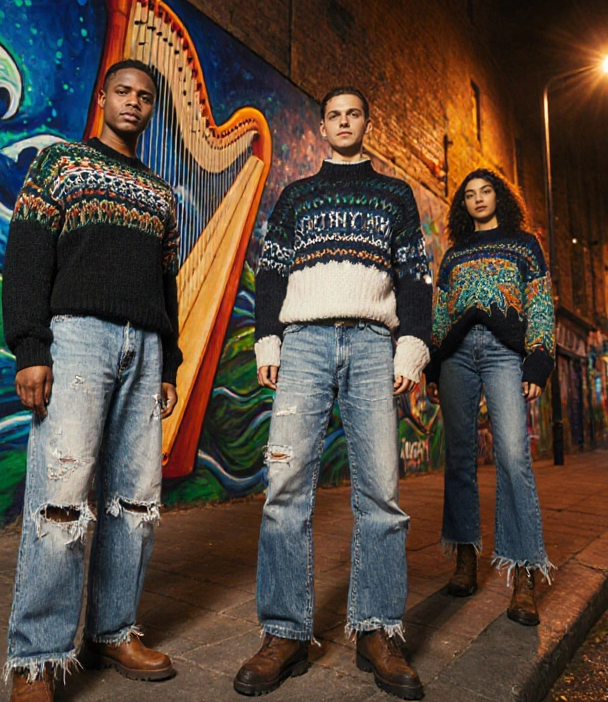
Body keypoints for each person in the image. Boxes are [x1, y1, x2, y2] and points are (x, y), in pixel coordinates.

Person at [235, 87, 431, 700]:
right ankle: (285, 632)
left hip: (374, 343)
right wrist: (267, 339)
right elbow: (270, 272)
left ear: (367, 123)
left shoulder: (396, 194)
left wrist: (412, 346)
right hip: (304, 345)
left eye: (354, 114)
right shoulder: (296, 195)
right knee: (285, 486)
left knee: (381, 491)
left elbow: (414, 277)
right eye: (335, 115)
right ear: (324, 126)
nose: (345, 122)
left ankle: (376, 632)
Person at [1, 59, 181, 702]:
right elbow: (26, 252)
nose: (134, 102)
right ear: (103, 96)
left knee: (135, 498)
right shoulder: (60, 164)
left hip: (146, 346)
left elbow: (167, 282)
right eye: (124, 91)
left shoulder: (162, 191)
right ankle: (37, 659)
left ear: (152, 109)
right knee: (60, 496)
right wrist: (30, 346)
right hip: (76, 337)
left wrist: (172, 359)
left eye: (145, 97)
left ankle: (112, 630)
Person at [426, 168, 556, 626]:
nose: (478, 199)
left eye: (486, 191)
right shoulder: (455, 254)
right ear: (463, 205)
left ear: (500, 197)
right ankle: (465, 560)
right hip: (457, 357)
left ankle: (523, 575)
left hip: (505, 354)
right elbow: (441, 311)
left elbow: (540, 302)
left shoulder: (525, 244)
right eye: (469, 195)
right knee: (459, 457)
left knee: (514, 458)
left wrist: (538, 360)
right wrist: (434, 365)